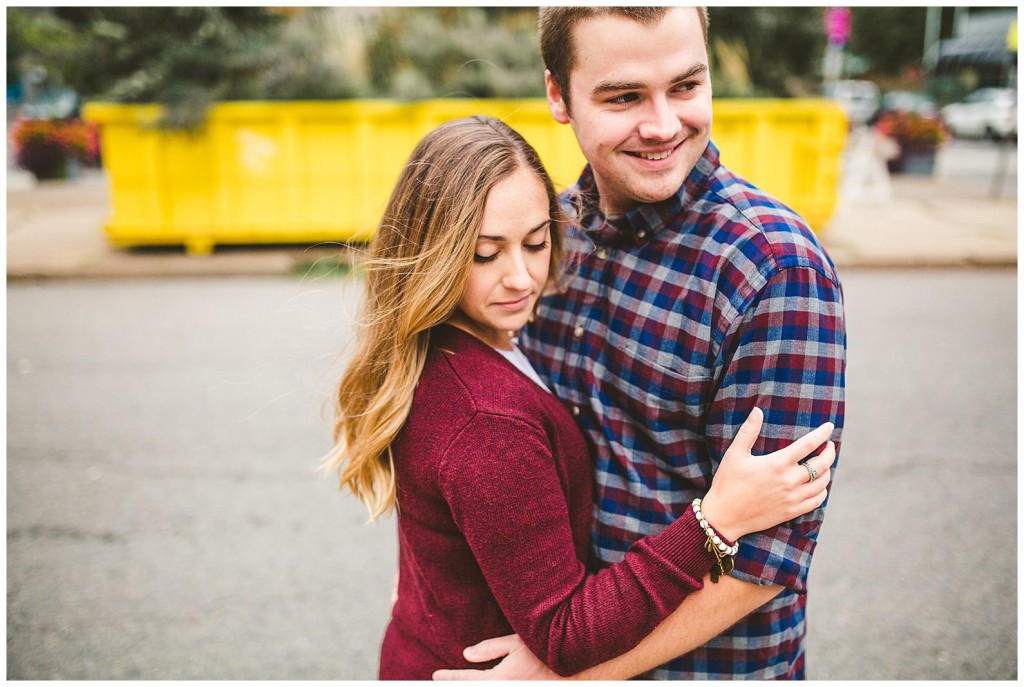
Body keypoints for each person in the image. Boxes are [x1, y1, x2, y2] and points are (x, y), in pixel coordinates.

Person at [322, 115, 836, 680]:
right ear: (431, 253)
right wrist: (712, 521)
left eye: (536, 242)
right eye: (484, 254)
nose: (521, 277)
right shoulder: (486, 418)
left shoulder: (449, 346)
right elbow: (566, 635)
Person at [435, 6, 847, 681]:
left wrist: (567, 674)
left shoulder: (772, 267)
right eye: (624, 96)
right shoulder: (544, 239)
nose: (662, 125)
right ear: (557, 96)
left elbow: (766, 563)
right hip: (555, 630)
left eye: (686, 86)